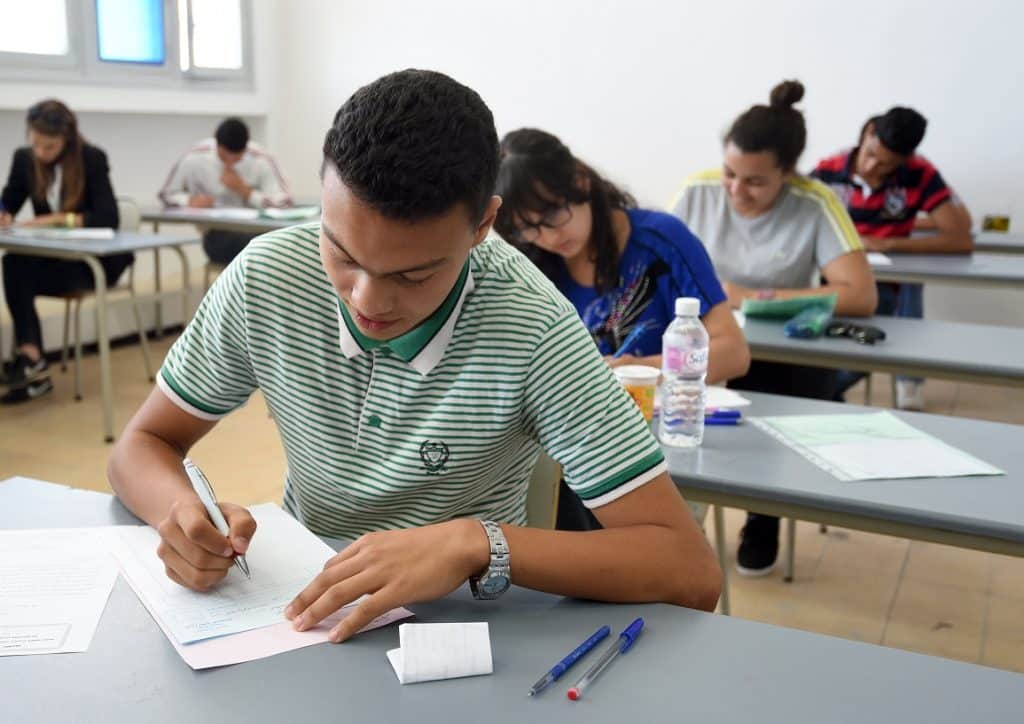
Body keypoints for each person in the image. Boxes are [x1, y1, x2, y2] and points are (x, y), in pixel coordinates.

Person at [108, 70, 722, 643]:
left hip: (461, 630)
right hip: (296, 610)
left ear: (483, 225)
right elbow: (141, 446)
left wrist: (475, 545)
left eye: (414, 273)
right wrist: (182, 514)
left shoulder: (533, 327)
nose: (367, 301)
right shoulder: (268, 279)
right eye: (342, 253)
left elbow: (688, 570)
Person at [493, 128, 750, 531]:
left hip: (649, 445)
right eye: (529, 229)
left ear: (580, 181)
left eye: (553, 216)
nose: (548, 236)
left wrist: (639, 370)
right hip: (566, 443)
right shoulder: (531, 262)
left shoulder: (661, 240)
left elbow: (733, 351)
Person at [670, 80, 876, 576]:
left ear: (787, 173)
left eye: (756, 181)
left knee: (770, 417)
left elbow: (859, 294)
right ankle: (676, 524)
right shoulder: (697, 192)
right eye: (730, 174)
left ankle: (763, 517)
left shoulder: (815, 202)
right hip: (711, 342)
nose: (737, 191)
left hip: (782, 353)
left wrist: (752, 297)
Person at [811, 106, 972, 410]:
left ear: (905, 160)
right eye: (870, 154)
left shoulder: (920, 173)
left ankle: (831, 396)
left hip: (879, 287)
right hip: (826, 280)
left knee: (871, 340)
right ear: (868, 131)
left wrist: (889, 243)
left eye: (885, 165)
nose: (871, 167)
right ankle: (826, 398)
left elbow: (959, 237)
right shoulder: (827, 171)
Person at [0, 99, 127, 404]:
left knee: (19, 269)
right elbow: (9, 200)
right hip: (54, 260)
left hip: (93, 261)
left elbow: (109, 218)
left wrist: (59, 219)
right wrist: (3, 212)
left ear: (66, 141)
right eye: (36, 145)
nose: (41, 153)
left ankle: (32, 364)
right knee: (14, 264)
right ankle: (33, 358)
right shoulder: (25, 159)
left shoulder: (91, 159)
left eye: (50, 147)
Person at [158, 117, 292, 265]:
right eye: (223, 157)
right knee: (261, 250)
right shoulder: (195, 157)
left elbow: (284, 202)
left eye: (236, 159)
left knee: (272, 245)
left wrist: (246, 191)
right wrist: (189, 201)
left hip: (257, 230)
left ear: (246, 147)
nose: (229, 162)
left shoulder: (260, 158)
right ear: (217, 144)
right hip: (218, 235)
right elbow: (166, 194)